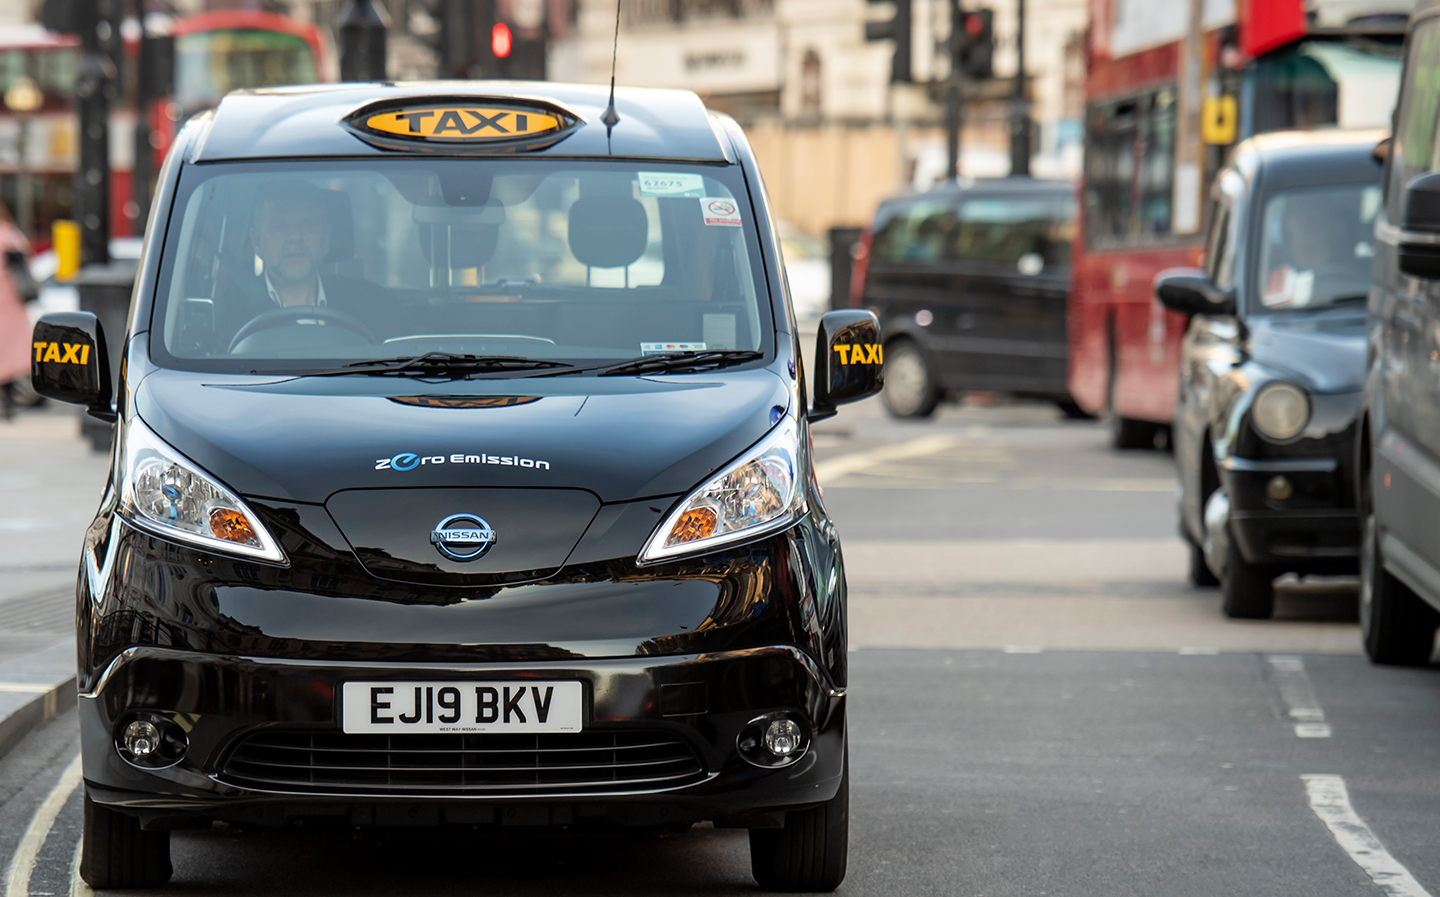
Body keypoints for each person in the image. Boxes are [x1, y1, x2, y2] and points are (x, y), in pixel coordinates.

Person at [217, 183, 376, 350]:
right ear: (257, 242)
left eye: (307, 224)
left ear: (326, 239)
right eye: (280, 225)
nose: (295, 236)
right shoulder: (225, 315)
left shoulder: (369, 306)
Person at [0, 203, 32, 420]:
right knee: (11, 351)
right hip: (12, 298)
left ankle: (5, 401)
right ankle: (8, 401)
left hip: (6, 300)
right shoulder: (11, 233)